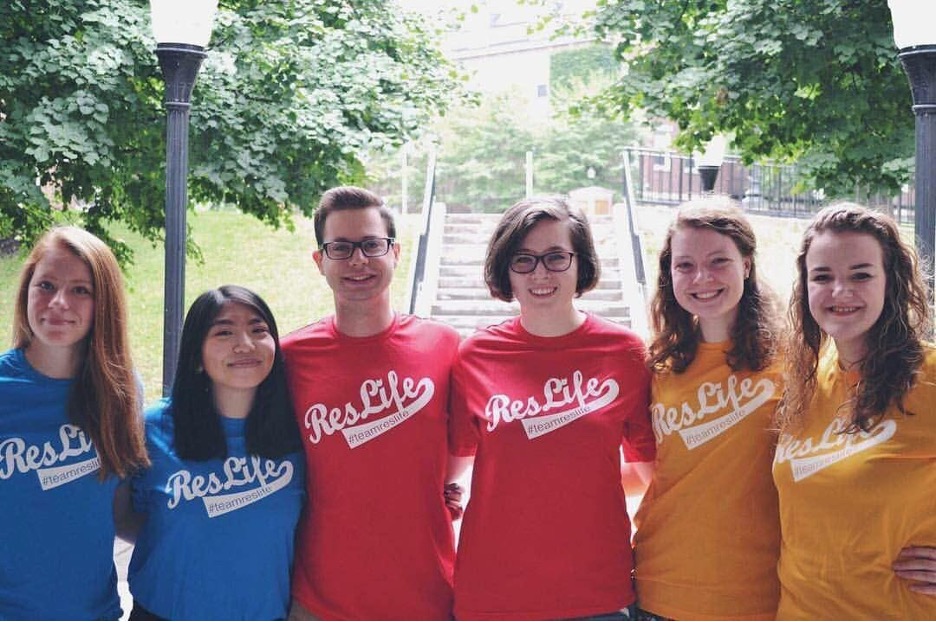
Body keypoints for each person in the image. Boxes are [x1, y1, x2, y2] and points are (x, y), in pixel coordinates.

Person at [448, 196, 655, 620]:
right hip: (494, 592)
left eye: (556, 257)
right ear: (506, 268)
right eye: (523, 260)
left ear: (581, 263)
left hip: (596, 593)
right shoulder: (475, 355)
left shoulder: (624, 351)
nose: (540, 273)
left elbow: (648, 469)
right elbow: (450, 470)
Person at [282, 186, 461, 620]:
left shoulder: (445, 346)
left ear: (395, 252)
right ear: (319, 260)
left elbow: (466, 446)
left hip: (428, 597)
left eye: (371, 245)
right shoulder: (289, 359)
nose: (358, 260)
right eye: (340, 248)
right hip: (319, 602)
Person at [774, 202, 936, 619]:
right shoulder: (804, 379)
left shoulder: (930, 376)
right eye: (822, 276)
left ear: (891, 281)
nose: (839, 291)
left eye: (860, 275)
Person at [632, 198, 783, 620]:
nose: (702, 278)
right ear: (670, 274)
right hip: (658, 586)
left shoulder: (796, 359)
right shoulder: (658, 364)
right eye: (685, 266)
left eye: (719, 261)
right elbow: (654, 468)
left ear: (747, 264)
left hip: (755, 593)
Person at [120, 285, 304, 620]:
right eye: (224, 331)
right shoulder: (151, 430)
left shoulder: (300, 436)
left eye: (258, 329)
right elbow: (123, 517)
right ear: (196, 354)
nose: (245, 344)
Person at [0, 225, 149, 620]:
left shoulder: (121, 390)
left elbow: (119, 510)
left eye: (81, 290)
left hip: (95, 612)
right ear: (26, 291)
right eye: (46, 285)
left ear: (104, 304)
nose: (59, 302)